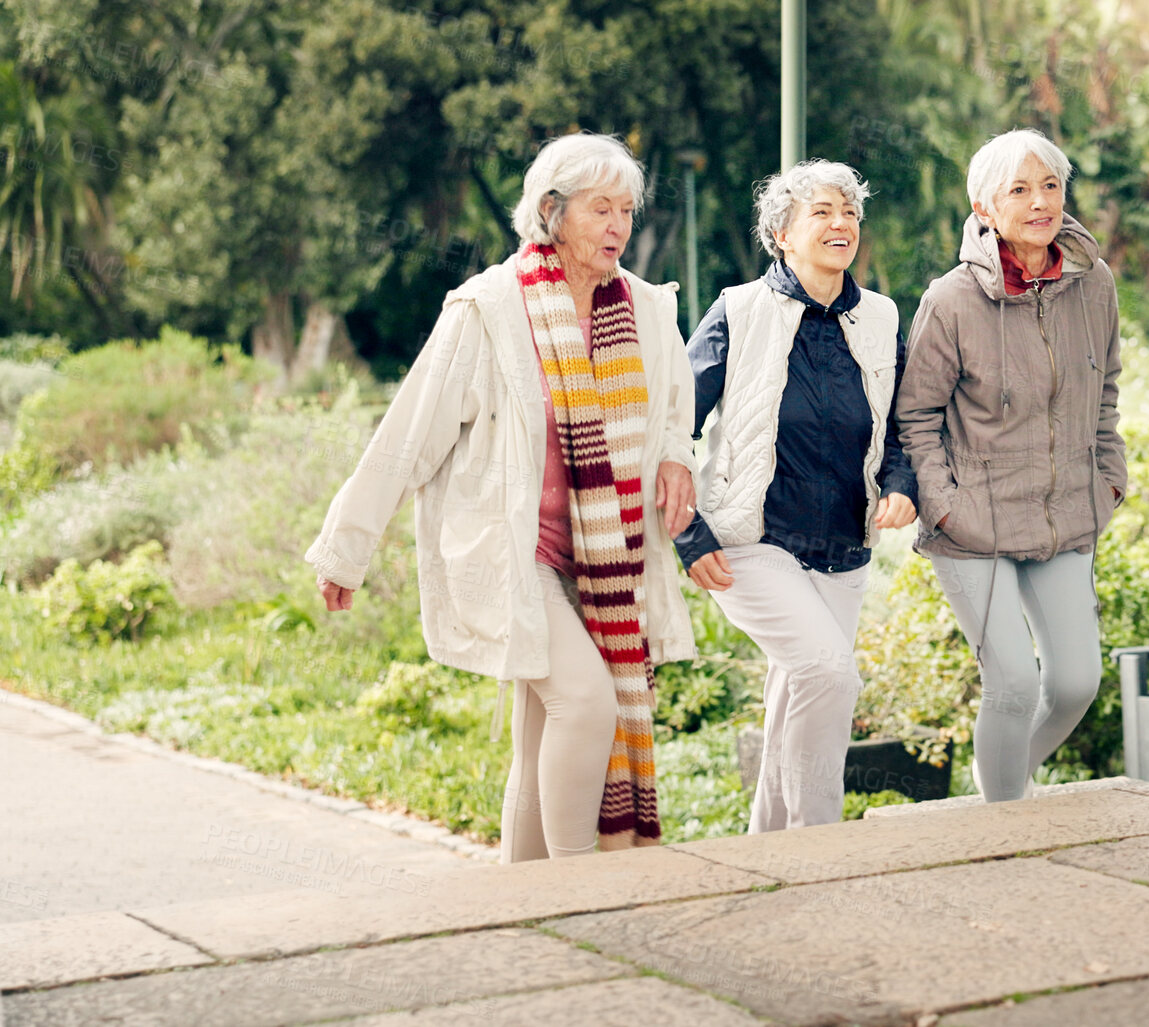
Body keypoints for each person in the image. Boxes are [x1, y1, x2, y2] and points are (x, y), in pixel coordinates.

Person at [306, 133, 698, 861]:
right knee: (584, 703)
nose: (617, 226)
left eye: (626, 211)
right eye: (600, 209)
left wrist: (676, 457)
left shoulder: (646, 309)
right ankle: (578, 888)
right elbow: (407, 434)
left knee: (542, 730)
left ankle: (520, 901)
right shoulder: (488, 307)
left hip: (605, 554)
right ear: (551, 212)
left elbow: (675, 409)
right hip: (516, 552)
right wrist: (345, 550)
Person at [675, 159, 916, 832]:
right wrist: (688, 534)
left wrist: (900, 485)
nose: (841, 224)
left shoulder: (880, 317)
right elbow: (671, 430)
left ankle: (768, 849)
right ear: (782, 234)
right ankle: (821, 843)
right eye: (822, 212)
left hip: (844, 548)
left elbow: (903, 425)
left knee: (801, 688)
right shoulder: (739, 311)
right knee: (828, 673)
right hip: (748, 542)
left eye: (850, 213)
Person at [896, 129, 1126, 803]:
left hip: (1064, 515)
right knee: (1013, 685)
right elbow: (915, 417)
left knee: (1076, 682)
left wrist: (1107, 478)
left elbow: (1104, 389)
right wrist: (943, 506)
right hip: (972, 525)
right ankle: (1002, 828)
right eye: (1019, 190)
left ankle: (1002, 788)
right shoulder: (950, 300)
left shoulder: (1094, 284)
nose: (1039, 202)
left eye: (1050, 185)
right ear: (984, 208)